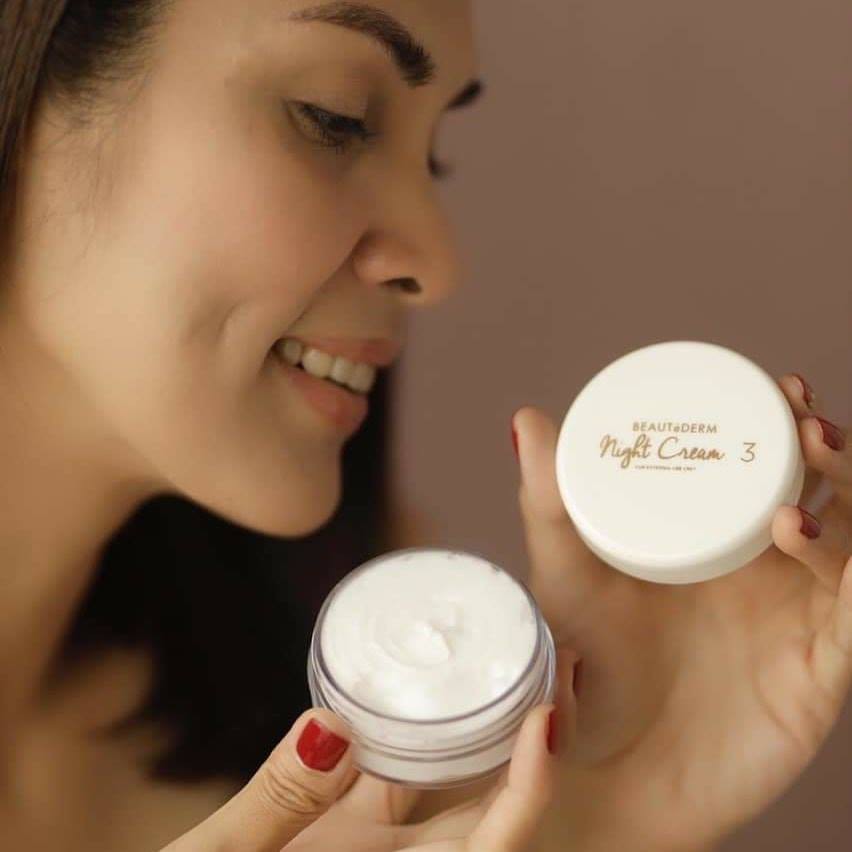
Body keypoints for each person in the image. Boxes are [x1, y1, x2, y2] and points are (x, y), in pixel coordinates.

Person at [0, 1, 849, 850]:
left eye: (432, 156)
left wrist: (591, 823)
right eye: (333, 117)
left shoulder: (357, 705)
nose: (439, 265)